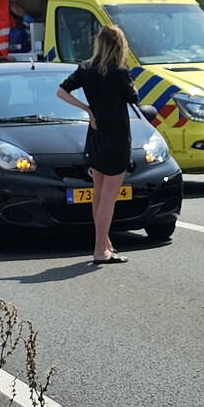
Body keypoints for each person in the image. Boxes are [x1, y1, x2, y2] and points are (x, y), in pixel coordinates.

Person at [56, 25, 140, 264]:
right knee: (109, 197)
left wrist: (86, 109)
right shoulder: (120, 71)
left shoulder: (85, 68)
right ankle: (100, 249)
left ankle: (104, 243)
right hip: (117, 138)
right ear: (119, 46)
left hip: (95, 134)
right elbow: (133, 98)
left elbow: (61, 91)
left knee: (99, 193)